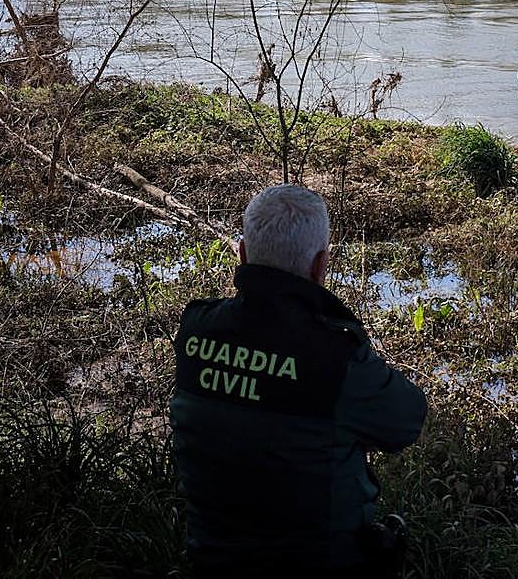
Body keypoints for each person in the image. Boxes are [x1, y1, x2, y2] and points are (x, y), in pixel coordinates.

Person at [170, 185, 427, 579]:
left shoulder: (195, 329)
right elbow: (408, 421)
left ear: (242, 253)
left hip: (212, 559)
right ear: (320, 265)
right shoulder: (336, 355)